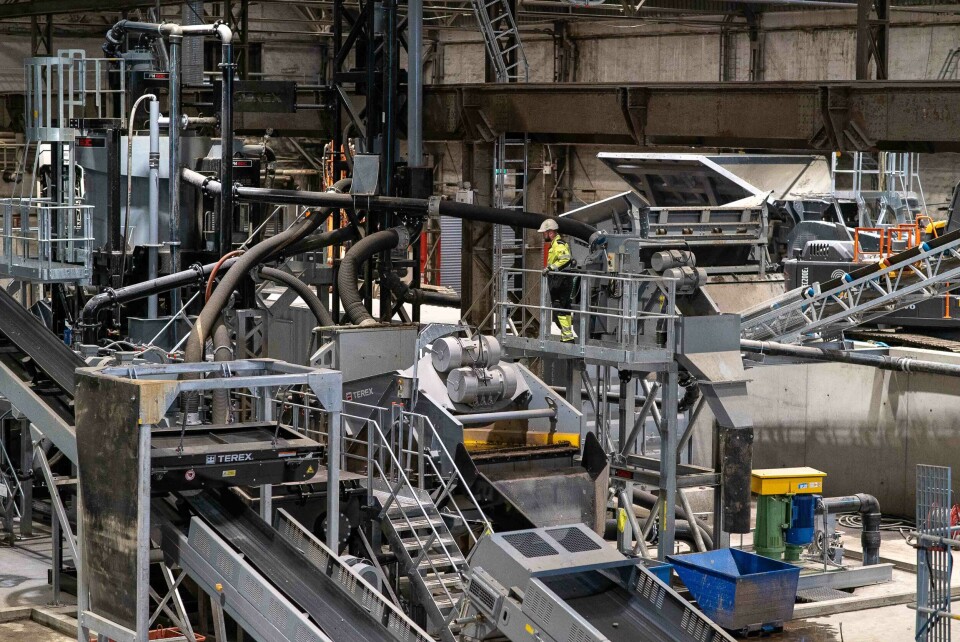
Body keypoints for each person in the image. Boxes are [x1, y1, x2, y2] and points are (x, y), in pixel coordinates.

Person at [538, 218, 576, 342]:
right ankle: (567, 336)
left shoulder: (558, 244)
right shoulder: (558, 243)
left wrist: (550, 268)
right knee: (564, 308)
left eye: (544, 233)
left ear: (550, 232)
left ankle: (567, 337)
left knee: (558, 309)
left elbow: (565, 259)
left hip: (560, 280)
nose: (543, 235)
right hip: (562, 279)